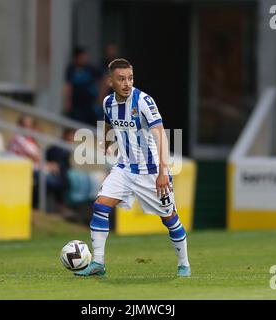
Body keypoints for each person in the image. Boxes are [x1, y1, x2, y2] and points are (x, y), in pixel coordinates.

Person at [75, 59, 191, 277]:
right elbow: (109, 121)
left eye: (130, 78)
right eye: (121, 79)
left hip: (151, 171)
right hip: (125, 168)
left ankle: (183, 263)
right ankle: (98, 263)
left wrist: (163, 172)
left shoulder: (144, 102)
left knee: (169, 218)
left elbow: (161, 135)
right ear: (111, 81)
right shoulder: (108, 102)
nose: (127, 83)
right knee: (100, 205)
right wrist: (107, 144)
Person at [64, 47, 102, 126]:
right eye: (82, 57)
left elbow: (103, 79)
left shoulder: (91, 68)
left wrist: (100, 97)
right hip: (76, 103)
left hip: (90, 103)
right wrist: (67, 101)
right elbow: (68, 86)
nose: (84, 59)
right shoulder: (71, 69)